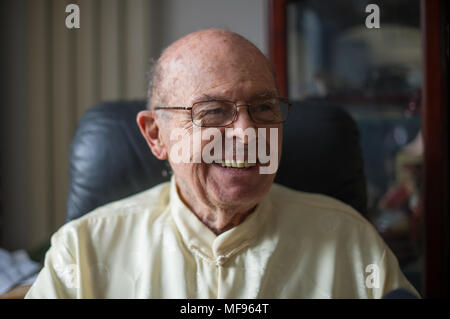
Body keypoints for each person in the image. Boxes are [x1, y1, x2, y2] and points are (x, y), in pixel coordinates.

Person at [25, 29, 418, 298]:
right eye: (213, 111)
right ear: (156, 135)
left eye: (263, 107)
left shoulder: (349, 241)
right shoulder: (84, 252)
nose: (247, 133)